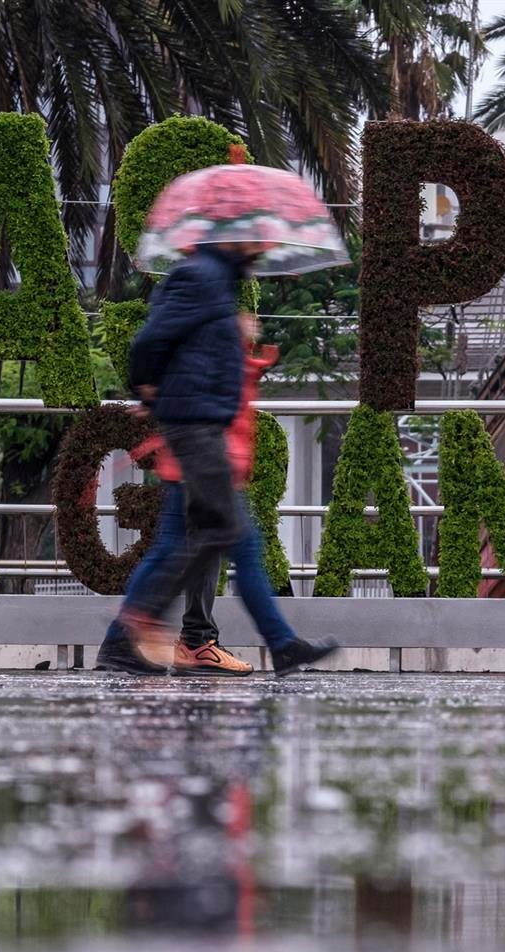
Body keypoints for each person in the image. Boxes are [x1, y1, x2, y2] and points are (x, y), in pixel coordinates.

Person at [96, 240, 337, 677]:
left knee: (201, 542)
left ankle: (123, 638)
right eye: (256, 238)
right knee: (228, 537)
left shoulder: (217, 283)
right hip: (198, 431)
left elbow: (197, 356)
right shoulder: (200, 277)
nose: (263, 247)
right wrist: (148, 389)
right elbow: (151, 342)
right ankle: (143, 625)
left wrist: (235, 337)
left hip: (202, 428)